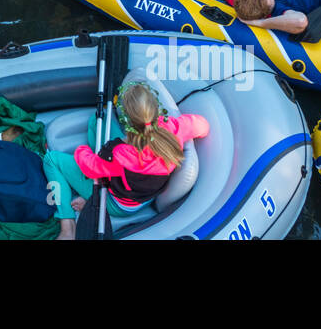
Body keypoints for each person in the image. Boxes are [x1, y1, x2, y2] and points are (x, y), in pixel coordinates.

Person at [45, 79, 209, 238]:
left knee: (51, 159)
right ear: (155, 110)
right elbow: (203, 126)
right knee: (97, 120)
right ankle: (88, 195)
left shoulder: (118, 155)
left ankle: (68, 227)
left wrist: (83, 150)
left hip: (117, 204)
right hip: (143, 195)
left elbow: (89, 166)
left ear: (128, 121)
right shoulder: (174, 127)